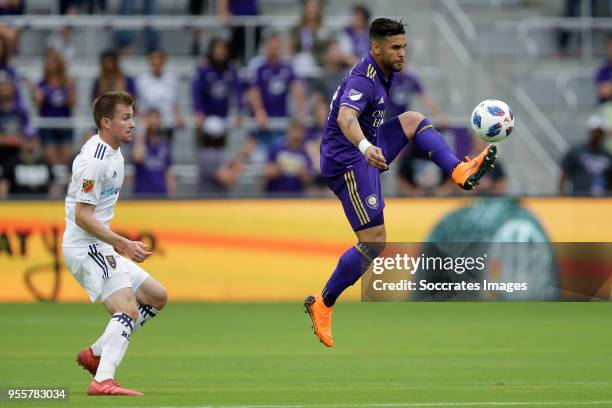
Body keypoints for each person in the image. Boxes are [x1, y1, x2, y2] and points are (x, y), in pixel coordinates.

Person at [303, 18, 497, 347]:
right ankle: (323, 303)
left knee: (413, 120)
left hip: (368, 144)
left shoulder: (384, 73)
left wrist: (370, 143)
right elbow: (344, 117)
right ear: (375, 48)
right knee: (375, 241)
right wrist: (365, 148)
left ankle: (458, 170)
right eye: (395, 48)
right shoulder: (363, 80)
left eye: (404, 47)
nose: (402, 53)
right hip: (346, 161)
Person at [62, 91, 167, 396]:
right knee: (128, 309)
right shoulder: (94, 161)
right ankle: (102, 379)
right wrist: (123, 243)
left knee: (157, 296)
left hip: (100, 244)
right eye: (125, 118)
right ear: (106, 122)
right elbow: (82, 216)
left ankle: (96, 353)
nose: (133, 123)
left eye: (132, 116)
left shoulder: (116, 153)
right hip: (86, 246)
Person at [246, 31, 306, 158]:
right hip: (263, 125)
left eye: (276, 46)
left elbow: (297, 87)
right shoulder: (259, 67)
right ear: (266, 46)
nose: (274, 49)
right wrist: (259, 111)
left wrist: (301, 110)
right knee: (260, 158)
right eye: (271, 46)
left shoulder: (286, 66)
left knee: (284, 157)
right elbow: (253, 91)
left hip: (281, 122)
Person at [32, 49, 77, 166]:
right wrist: (34, 90)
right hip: (48, 125)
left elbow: (72, 104)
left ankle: (65, 184)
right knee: (51, 162)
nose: (50, 64)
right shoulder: (41, 83)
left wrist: (71, 88)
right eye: (48, 61)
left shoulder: (67, 82)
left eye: (53, 61)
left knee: (66, 162)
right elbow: (38, 103)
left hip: (65, 124)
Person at [559, 115, 612, 195]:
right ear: (590, 131)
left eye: (600, 132)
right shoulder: (576, 151)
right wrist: (562, 196)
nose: (597, 135)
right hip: (579, 199)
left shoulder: (607, 155)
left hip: (600, 201)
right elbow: (563, 175)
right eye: (595, 131)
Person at [136, 49, 184, 138]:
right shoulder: (142, 79)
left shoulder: (172, 78)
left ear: (164, 61)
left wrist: (178, 117)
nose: (157, 61)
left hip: (167, 121)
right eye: (153, 59)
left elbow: (175, 102)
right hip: (148, 123)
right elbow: (139, 103)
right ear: (150, 61)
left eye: (160, 59)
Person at [132, 109, 176, 197]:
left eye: (157, 118)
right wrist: (141, 131)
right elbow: (137, 158)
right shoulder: (139, 141)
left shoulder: (164, 142)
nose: (154, 121)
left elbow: (168, 171)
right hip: (142, 193)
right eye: (151, 118)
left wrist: (172, 194)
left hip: (161, 193)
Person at [263, 119, 312, 194]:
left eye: (299, 131)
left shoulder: (306, 152)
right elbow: (266, 173)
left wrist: (303, 175)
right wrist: (275, 170)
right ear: (288, 131)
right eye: (294, 131)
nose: (296, 135)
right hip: (275, 195)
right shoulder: (277, 148)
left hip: (297, 197)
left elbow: (308, 180)